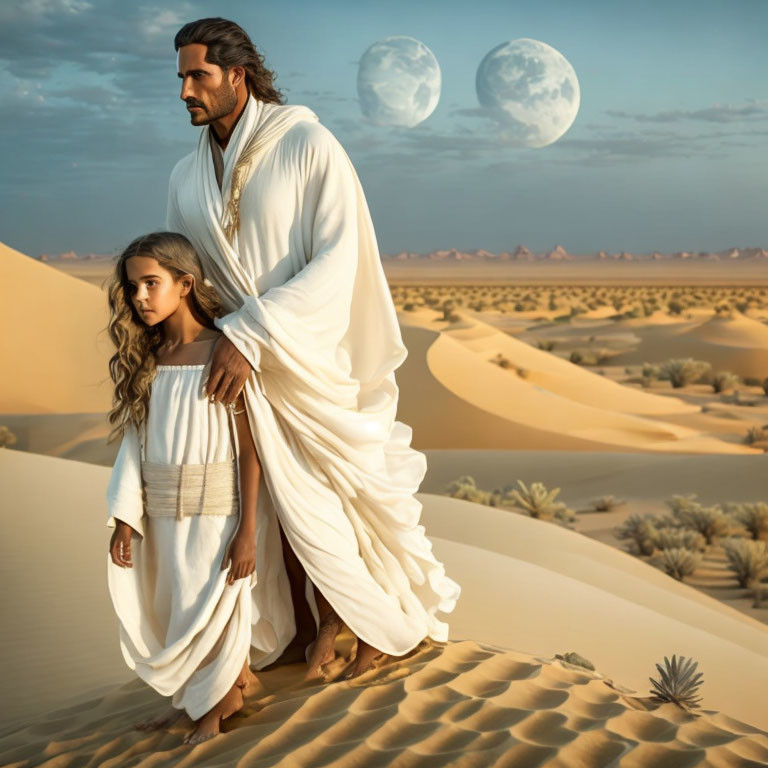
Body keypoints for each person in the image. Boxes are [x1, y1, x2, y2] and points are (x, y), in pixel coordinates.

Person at [166, 17, 461, 683]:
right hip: (235, 363)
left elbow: (340, 257)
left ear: (237, 74)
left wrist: (255, 332)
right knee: (263, 502)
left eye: (199, 76)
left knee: (329, 493)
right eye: (181, 77)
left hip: (306, 357)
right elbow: (187, 270)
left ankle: (368, 622)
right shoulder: (186, 177)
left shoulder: (307, 143)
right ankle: (303, 627)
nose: (186, 89)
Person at [105, 231, 265, 744]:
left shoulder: (223, 350)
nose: (140, 297)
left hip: (216, 510)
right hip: (163, 511)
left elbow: (251, 447)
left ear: (186, 283)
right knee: (175, 606)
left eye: (152, 283)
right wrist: (126, 516)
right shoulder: (147, 359)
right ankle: (199, 700)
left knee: (209, 604)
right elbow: (134, 443)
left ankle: (213, 712)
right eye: (132, 288)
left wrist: (247, 530)